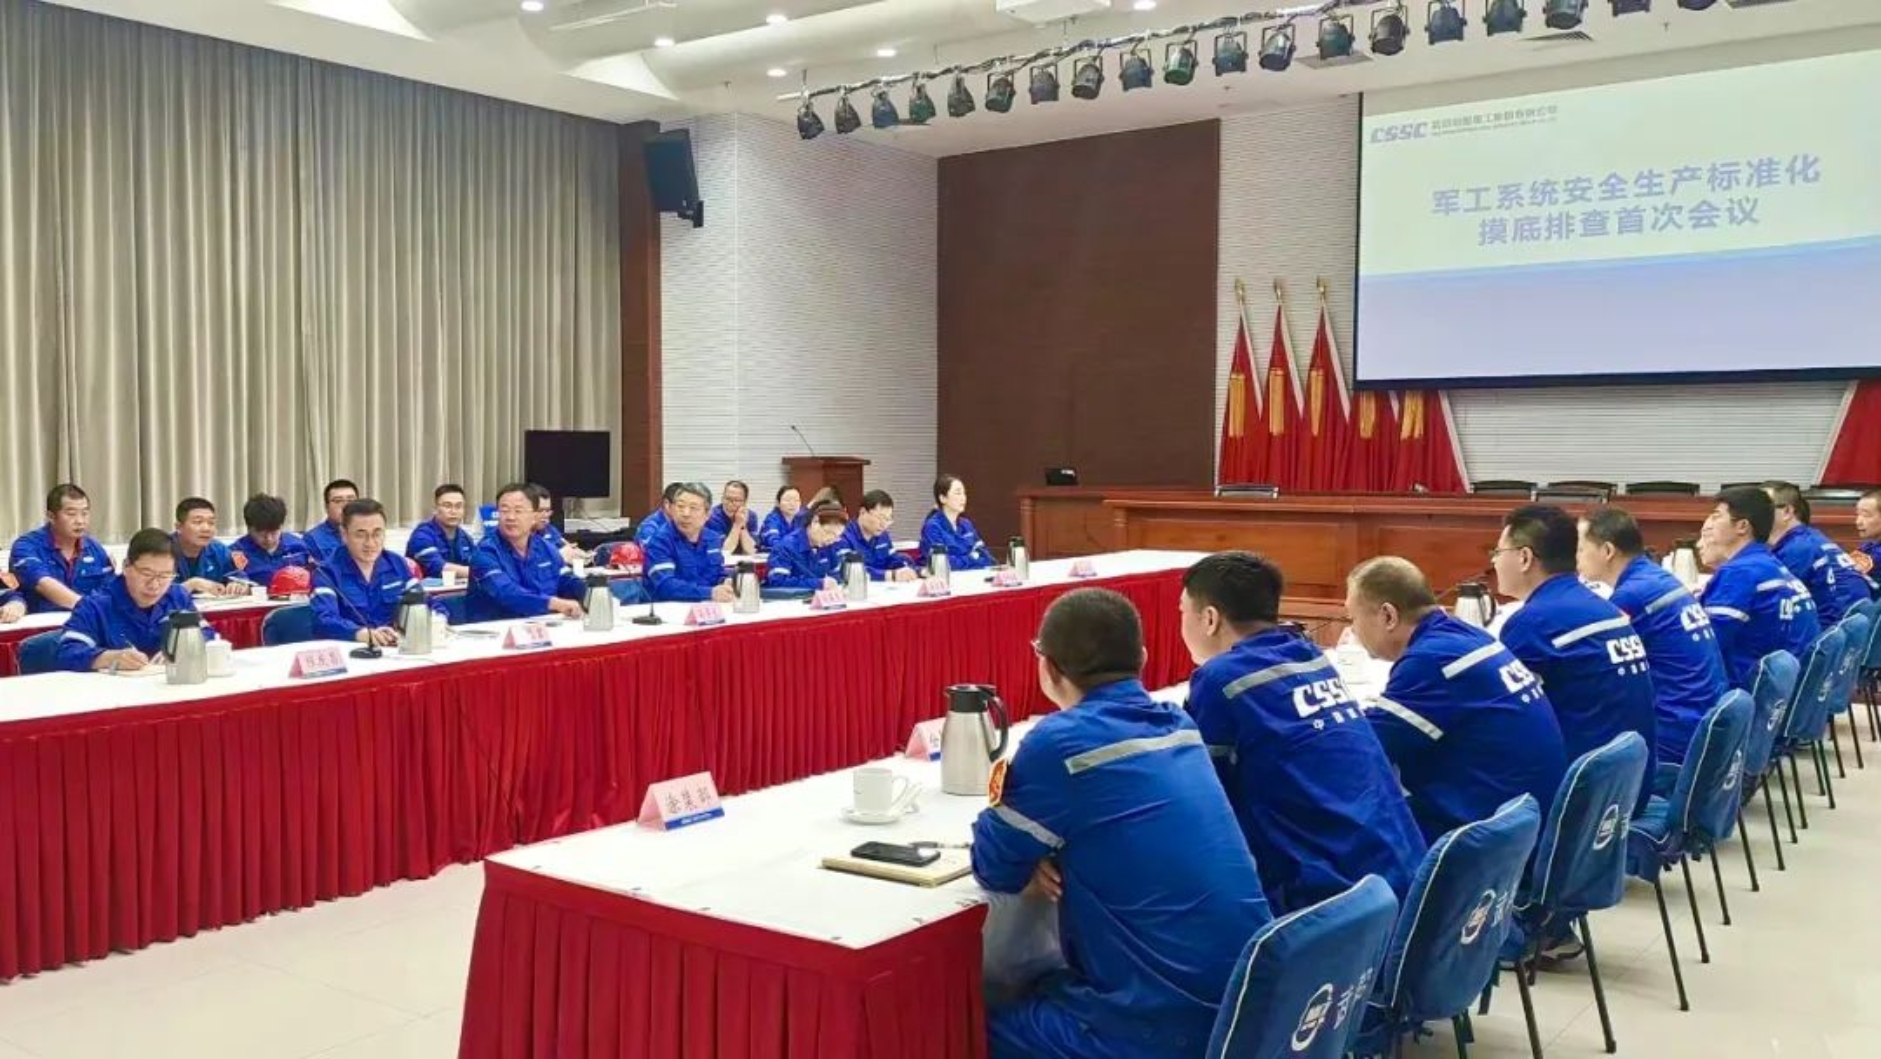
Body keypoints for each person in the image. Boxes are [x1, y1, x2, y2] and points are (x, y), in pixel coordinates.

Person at [973, 588, 1271, 1059]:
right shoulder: (1179, 725)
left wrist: (1034, 853)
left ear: (1046, 667)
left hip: (1162, 1025)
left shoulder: (1059, 743)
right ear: (1143, 659)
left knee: (970, 1025)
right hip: (1247, 1003)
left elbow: (994, 867)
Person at [1180, 551, 1425, 912]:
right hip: (1398, 869)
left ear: (1210, 619)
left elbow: (1201, 797)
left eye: (1182, 612)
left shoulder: (1222, 679)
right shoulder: (1310, 655)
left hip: (1333, 898)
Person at [1347, 556, 1568, 844]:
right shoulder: (1467, 636)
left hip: (1484, 840)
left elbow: (1364, 748)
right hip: (1524, 821)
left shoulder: (1431, 661)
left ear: (1388, 616)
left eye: (1353, 618)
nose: (1353, 630)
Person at [1493, 505, 1660, 811]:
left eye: (1498, 552)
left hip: (1583, 801)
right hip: (1630, 786)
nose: (1493, 561)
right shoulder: (1603, 607)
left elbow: (1502, 722)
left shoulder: (1534, 622)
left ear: (1524, 558)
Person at [1577, 507, 1729, 765]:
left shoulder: (1632, 596)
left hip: (1675, 730)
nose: (1576, 556)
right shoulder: (1656, 578)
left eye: (1581, 548)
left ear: (1607, 551)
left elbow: (1599, 674)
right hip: (1702, 715)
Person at [1699, 486, 1822, 691]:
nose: (1709, 524)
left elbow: (1705, 645)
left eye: (1716, 516)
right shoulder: (1767, 562)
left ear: (1742, 526)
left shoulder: (1741, 572)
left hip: (1743, 688)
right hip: (1778, 684)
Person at [56, 528, 218, 672]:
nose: (154, 585)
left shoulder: (178, 597)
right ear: (126, 567)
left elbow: (206, 633)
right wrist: (108, 658)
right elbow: (66, 652)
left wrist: (184, 648)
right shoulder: (96, 605)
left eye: (165, 576)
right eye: (146, 574)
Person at [309, 498, 443, 646]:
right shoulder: (326, 573)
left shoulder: (397, 563)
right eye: (361, 535)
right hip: (353, 650)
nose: (370, 543)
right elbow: (324, 620)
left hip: (396, 648)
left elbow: (429, 604)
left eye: (377, 534)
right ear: (344, 534)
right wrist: (360, 633)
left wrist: (437, 621)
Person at [466, 484, 586, 623]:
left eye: (518, 511)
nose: (510, 517)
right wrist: (554, 603)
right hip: (495, 628)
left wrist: (593, 593)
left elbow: (567, 581)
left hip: (542, 625)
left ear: (534, 516)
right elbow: (505, 593)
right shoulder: (485, 552)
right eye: (504, 511)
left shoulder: (546, 548)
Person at [1763, 481, 1871, 624]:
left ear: (1787, 512)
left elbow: (1774, 608)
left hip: (1837, 630)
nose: (1753, 514)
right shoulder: (1809, 538)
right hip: (1852, 624)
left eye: (1762, 507)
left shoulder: (1798, 549)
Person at [9, 483, 116, 613]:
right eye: (71, 514)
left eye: (85, 513)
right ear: (51, 516)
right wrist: (86, 606)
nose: (80, 521)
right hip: (41, 622)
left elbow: (109, 590)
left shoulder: (95, 549)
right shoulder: (26, 546)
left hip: (84, 620)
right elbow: (42, 584)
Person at [643, 482, 734, 603]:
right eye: (680, 506)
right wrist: (710, 593)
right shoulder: (660, 541)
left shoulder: (713, 539)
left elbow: (718, 574)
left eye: (693, 508)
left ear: (707, 514)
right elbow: (665, 587)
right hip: (667, 609)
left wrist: (726, 582)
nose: (685, 514)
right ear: (672, 509)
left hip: (707, 607)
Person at [231, 493, 311, 584]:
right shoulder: (236, 552)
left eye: (274, 532)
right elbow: (231, 579)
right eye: (262, 534)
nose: (269, 539)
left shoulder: (299, 546)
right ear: (249, 528)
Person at [764, 505, 850, 590]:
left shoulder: (829, 547)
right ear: (815, 522)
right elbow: (777, 582)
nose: (831, 540)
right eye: (828, 533)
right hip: (793, 598)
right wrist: (819, 583)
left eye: (837, 536)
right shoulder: (786, 547)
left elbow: (835, 577)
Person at [840, 489, 918, 582]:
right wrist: (889, 575)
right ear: (863, 512)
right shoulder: (844, 536)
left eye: (888, 519)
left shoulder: (883, 535)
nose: (883, 524)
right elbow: (850, 571)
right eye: (880, 518)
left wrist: (913, 570)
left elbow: (893, 559)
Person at [171, 498, 244, 596]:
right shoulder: (161, 550)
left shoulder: (219, 550)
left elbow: (239, 576)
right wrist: (191, 585)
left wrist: (238, 584)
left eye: (211, 523)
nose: (206, 528)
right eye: (198, 522)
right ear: (179, 527)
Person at [922, 474, 994, 571]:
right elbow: (943, 563)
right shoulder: (932, 527)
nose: (963, 498)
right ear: (943, 498)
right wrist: (972, 558)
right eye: (958, 493)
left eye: (964, 493)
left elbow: (986, 557)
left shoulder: (966, 524)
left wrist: (965, 560)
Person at [405, 484, 476, 581]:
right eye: (447, 506)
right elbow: (437, 567)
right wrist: (478, 572)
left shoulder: (465, 538)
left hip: (458, 589)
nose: (453, 511)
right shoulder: (422, 536)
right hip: (427, 590)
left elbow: (478, 562)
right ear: (435, 509)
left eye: (458, 506)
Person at [304, 479, 358, 567]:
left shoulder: (369, 534)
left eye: (351, 500)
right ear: (326, 507)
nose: (346, 506)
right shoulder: (312, 538)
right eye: (338, 501)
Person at [707, 480, 760, 555]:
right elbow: (724, 551)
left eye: (736, 500)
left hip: (742, 559)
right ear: (722, 498)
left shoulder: (751, 516)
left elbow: (752, 550)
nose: (730, 504)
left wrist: (742, 525)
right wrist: (737, 524)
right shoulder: (712, 516)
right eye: (727, 499)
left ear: (745, 502)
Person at [759, 486, 802, 550]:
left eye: (796, 500)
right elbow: (773, 541)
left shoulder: (800, 520)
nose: (792, 504)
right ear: (777, 503)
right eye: (787, 500)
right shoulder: (772, 519)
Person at [1854, 488, 1881, 576]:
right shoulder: (1869, 544)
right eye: (1857, 514)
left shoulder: (1877, 556)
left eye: (1866, 515)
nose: (1858, 522)